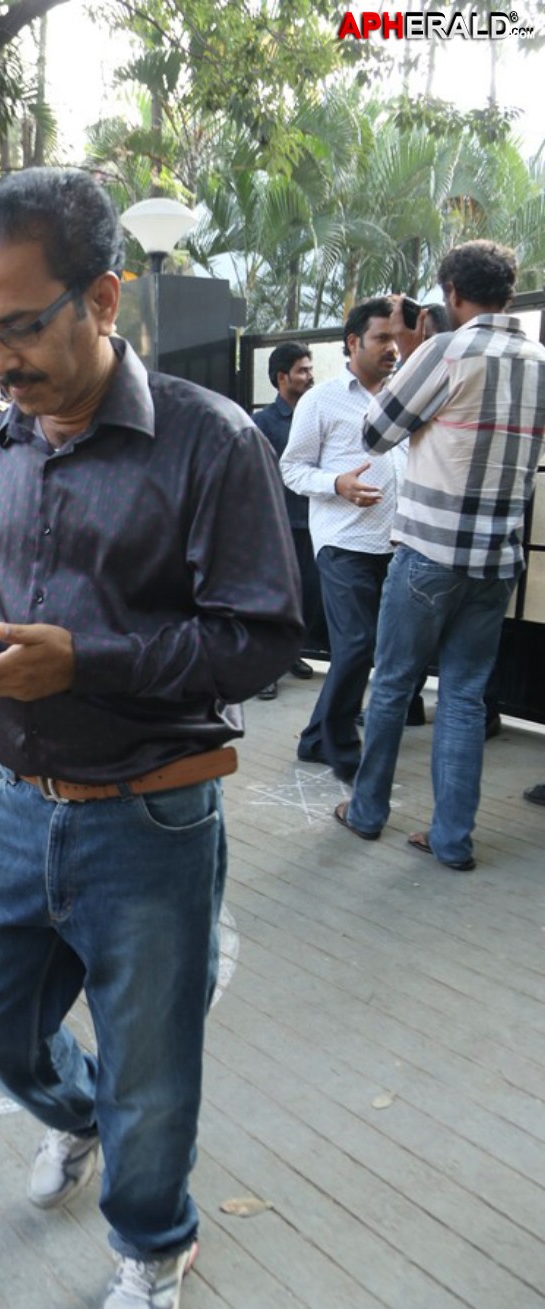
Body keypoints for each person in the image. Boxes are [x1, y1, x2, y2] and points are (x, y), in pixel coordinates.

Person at [0, 168, 302, 1309]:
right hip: (21, 803)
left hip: (153, 813)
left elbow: (262, 639)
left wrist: (83, 661)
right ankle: (85, 1121)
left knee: (153, 1060)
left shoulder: (211, 442)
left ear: (103, 299)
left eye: (20, 325)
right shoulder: (3, 444)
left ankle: (153, 1234)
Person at [334, 243, 545, 870]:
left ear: (451, 293)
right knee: (463, 696)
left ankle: (367, 812)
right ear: (508, 292)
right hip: (497, 561)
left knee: (394, 683)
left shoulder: (445, 351)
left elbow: (375, 431)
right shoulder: (538, 359)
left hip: (427, 554)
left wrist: (415, 344)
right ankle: (452, 839)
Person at [281, 299, 405, 782]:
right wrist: (337, 484)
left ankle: (315, 740)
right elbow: (291, 468)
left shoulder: (406, 396)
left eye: (396, 339)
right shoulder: (322, 399)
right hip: (342, 542)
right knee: (356, 644)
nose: (393, 349)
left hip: (395, 545)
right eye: (382, 339)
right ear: (353, 343)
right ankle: (345, 753)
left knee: (372, 650)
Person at [252, 340, 320, 698]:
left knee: (309, 596)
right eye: (303, 370)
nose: (310, 376)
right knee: (275, 598)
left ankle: (291, 654)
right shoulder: (261, 421)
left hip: (315, 522)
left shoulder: (317, 414)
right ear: (282, 377)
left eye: (310, 369)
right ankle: (266, 668)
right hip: (278, 525)